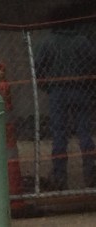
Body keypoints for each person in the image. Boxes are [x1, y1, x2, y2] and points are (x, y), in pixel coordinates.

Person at [35, 15, 96, 190]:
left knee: (59, 134)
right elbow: (93, 64)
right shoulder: (82, 41)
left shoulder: (48, 42)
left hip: (58, 91)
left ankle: (60, 176)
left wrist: (47, 86)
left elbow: (38, 67)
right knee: (85, 132)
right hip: (80, 89)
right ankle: (90, 174)